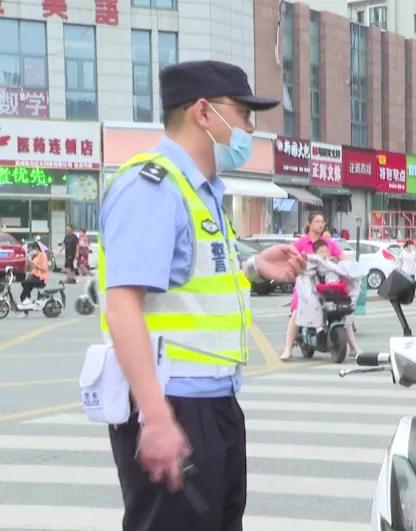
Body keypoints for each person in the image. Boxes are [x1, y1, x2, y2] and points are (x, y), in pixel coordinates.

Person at [98, 60, 304, 531]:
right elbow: (122, 304)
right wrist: (155, 418)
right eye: (244, 113)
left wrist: (253, 267)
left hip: (216, 403)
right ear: (205, 113)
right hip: (174, 403)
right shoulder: (153, 187)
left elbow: (189, 289)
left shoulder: (205, 191)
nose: (250, 127)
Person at [281, 212, 347, 360]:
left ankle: (354, 347)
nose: (320, 224)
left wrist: (342, 263)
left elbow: (343, 257)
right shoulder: (301, 243)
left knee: (343, 309)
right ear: (310, 224)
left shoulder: (328, 243)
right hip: (305, 285)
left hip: (325, 284)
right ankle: (287, 348)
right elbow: (290, 257)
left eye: (323, 221)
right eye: (317, 221)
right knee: (297, 312)